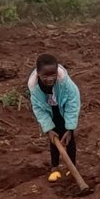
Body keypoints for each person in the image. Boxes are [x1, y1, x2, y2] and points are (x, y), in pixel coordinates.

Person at [27, 53, 81, 181]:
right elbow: (39, 109)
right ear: (38, 74)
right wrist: (48, 128)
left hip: (64, 108)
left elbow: (73, 103)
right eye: (45, 75)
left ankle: (71, 167)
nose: (50, 79)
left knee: (69, 139)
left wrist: (70, 128)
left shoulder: (66, 84)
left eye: (53, 75)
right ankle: (55, 168)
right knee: (54, 138)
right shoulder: (35, 88)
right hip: (50, 110)